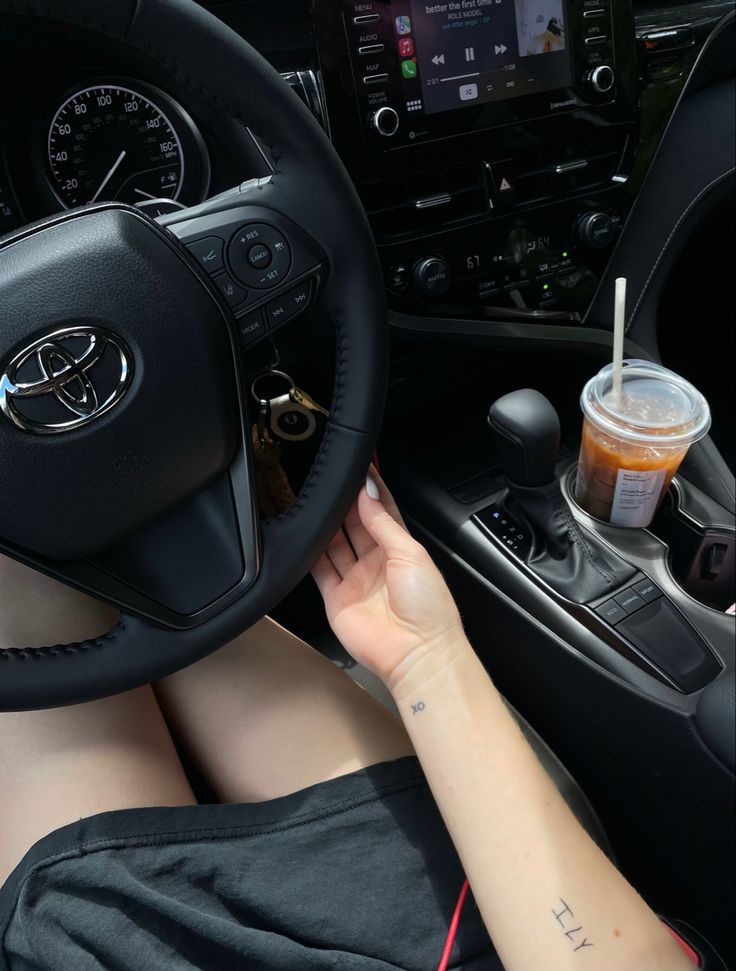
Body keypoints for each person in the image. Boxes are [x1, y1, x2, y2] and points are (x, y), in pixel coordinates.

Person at [0, 469, 693, 970]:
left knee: (21, 552)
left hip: (142, 945)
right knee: (152, 557)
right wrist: (426, 657)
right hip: (439, 934)